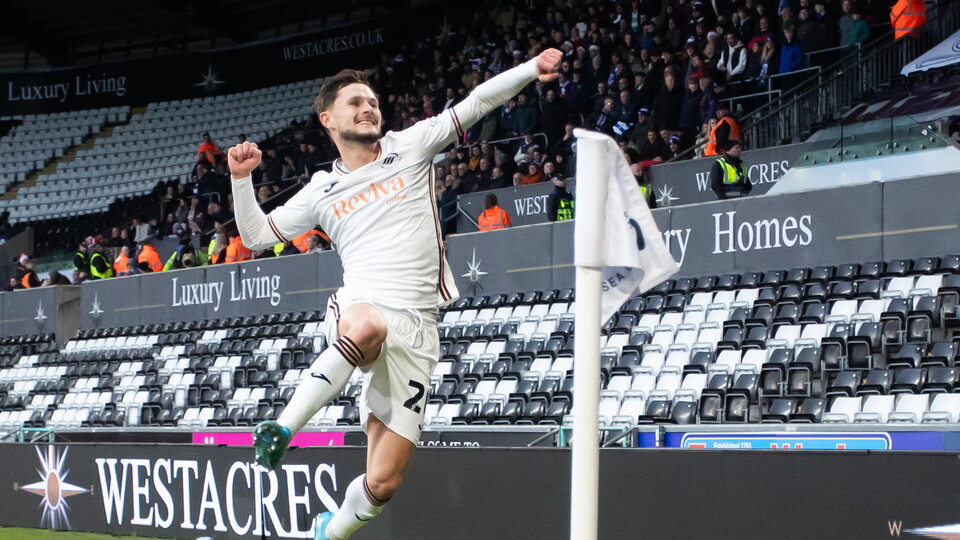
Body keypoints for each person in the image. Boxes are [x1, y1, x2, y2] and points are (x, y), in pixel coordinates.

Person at [226, 48, 562, 540]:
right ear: (327, 118)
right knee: (367, 327)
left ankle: (327, 533)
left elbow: (476, 102)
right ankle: (281, 429)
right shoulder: (321, 190)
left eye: (372, 101)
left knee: (383, 482)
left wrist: (531, 69)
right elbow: (256, 235)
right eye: (355, 102)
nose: (368, 107)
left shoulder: (411, 145)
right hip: (361, 303)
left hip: (419, 327)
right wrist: (240, 179)